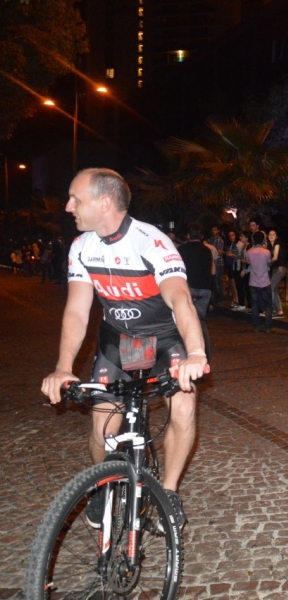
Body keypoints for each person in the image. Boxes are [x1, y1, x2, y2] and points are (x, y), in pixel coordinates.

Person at [40, 168, 207, 529]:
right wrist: (64, 367)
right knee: (102, 428)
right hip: (119, 340)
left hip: (164, 338)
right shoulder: (82, 247)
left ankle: (169, 492)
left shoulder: (152, 242)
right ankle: (103, 485)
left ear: (104, 203)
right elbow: (77, 310)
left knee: (183, 408)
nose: (68, 207)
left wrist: (196, 354)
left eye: (75, 199)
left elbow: (180, 300)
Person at [177, 223, 215, 360]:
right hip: (204, 288)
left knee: (183, 320)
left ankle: (184, 352)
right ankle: (206, 354)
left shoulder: (181, 250)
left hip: (187, 287)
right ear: (202, 236)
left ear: (188, 235)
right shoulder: (207, 250)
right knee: (200, 320)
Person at [247, 231, 273, 333]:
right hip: (265, 281)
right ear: (263, 240)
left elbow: (249, 263)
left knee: (254, 305)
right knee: (268, 305)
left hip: (253, 281)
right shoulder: (266, 252)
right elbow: (269, 263)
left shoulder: (249, 252)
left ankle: (257, 326)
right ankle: (268, 326)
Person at [268, 229, 287, 319]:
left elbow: (275, 257)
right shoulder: (270, 245)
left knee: (271, 287)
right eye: (270, 234)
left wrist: (268, 263)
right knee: (274, 289)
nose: (271, 236)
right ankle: (279, 311)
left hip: (280, 268)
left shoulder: (277, 243)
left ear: (276, 236)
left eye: (273, 234)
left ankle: (272, 309)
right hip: (276, 268)